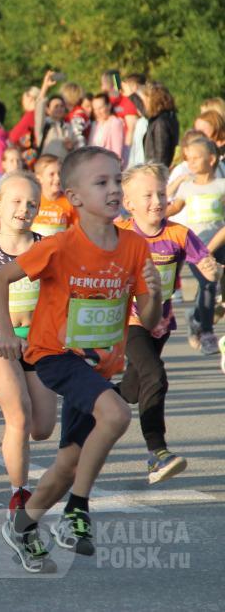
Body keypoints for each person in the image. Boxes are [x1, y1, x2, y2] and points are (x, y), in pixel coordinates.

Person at [0, 146, 161, 573]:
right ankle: (77, 512)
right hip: (56, 355)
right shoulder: (61, 245)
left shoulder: (135, 248)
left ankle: (22, 526)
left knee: (68, 461)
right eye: (101, 182)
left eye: (117, 181)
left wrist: (154, 295)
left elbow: (147, 319)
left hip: (101, 365)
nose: (114, 189)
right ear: (75, 196)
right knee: (117, 414)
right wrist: (6, 333)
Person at [0, 172, 56, 520]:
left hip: (38, 344)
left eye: (32, 203)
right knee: (17, 416)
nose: (24, 208)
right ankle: (19, 492)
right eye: (16, 201)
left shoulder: (48, 249)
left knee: (42, 428)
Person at [118, 163, 215, 484]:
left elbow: (203, 259)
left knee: (131, 390)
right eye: (147, 195)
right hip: (126, 320)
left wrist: (211, 267)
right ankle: (157, 453)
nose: (157, 200)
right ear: (129, 202)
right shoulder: (119, 231)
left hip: (159, 321)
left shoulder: (178, 233)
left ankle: (92, 404)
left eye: (161, 193)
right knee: (154, 376)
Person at [165, 136, 225, 354]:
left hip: (220, 244)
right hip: (195, 247)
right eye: (187, 158)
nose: (190, 162)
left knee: (215, 288)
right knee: (208, 284)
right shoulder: (187, 189)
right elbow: (171, 208)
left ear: (211, 159)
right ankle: (207, 333)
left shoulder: (221, 186)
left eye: (195, 158)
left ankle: (197, 316)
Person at [140, 82, 179, 168]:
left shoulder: (160, 123)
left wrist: (157, 174)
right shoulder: (167, 117)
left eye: (145, 100)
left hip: (156, 172)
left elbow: (161, 155)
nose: (144, 104)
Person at [88, 93, 126, 166]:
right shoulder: (94, 124)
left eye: (100, 108)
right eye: (95, 109)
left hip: (108, 166)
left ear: (109, 106)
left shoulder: (115, 123)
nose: (98, 112)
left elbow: (117, 152)